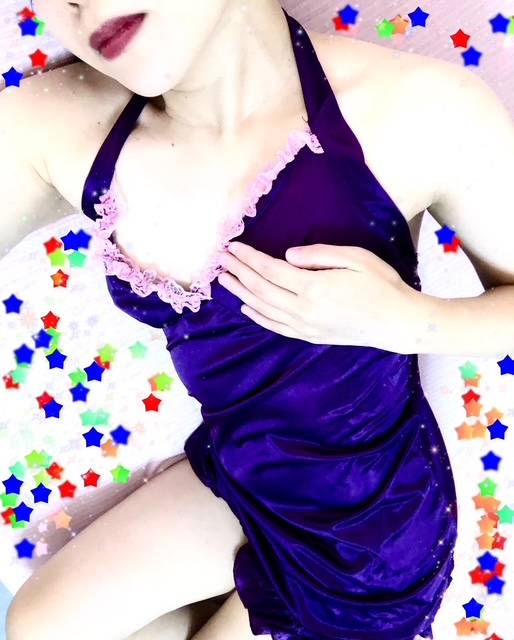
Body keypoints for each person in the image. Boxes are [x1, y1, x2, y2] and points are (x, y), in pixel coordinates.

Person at [2, 1, 513, 639]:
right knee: (40, 626)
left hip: (365, 534)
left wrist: (408, 320)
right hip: (239, 472)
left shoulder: (415, 111)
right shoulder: (58, 124)